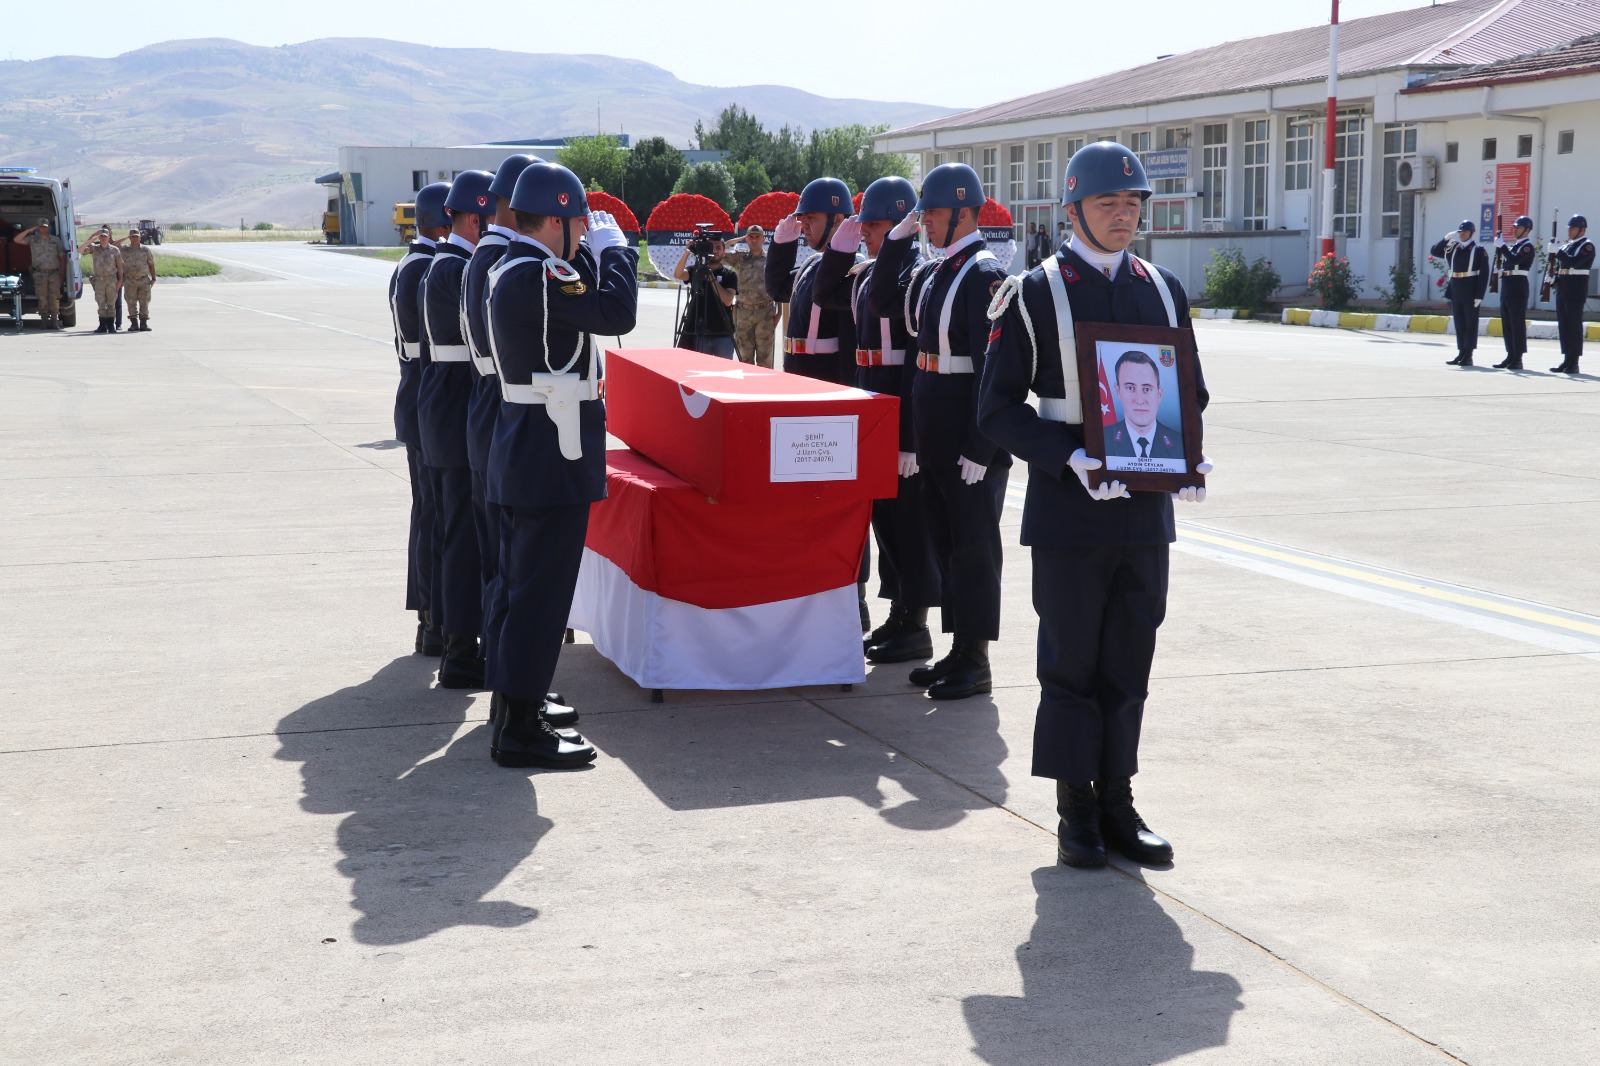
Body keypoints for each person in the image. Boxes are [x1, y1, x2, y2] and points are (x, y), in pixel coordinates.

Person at [978, 140, 1211, 869]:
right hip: (1071, 507)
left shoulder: (1164, 287)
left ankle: (1119, 798)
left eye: (1134, 203)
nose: (1124, 215)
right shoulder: (1035, 291)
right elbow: (996, 410)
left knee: (1129, 658)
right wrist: (1068, 455)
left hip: (1144, 510)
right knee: (1071, 661)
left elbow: (1189, 390)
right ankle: (1075, 807)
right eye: (1108, 203)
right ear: (1073, 209)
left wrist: (1188, 451)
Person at [483, 162, 636, 768]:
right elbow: (615, 312)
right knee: (541, 595)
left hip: (526, 448)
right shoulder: (541, 274)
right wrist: (616, 251)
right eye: (579, 221)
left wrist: (592, 253)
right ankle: (519, 728)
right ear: (555, 219)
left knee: (523, 590)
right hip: (549, 453)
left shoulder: (516, 268)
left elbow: (585, 305)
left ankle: (513, 709)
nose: (585, 229)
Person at [870, 162, 1011, 701]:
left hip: (966, 438)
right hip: (934, 429)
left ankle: (976, 658)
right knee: (947, 546)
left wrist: (983, 443)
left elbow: (997, 370)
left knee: (973, 550)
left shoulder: (983, 273)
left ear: (961, 212)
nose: (923, 221)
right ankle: (956, 650)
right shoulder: (936, 271)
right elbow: (887, 306)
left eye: (930, 213)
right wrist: (898, 242)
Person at [813, 176, 942, 664]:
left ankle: (917, 623)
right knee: (885, 521)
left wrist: (909, 436)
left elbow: (915, 360)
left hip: (898, 403)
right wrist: (839, 254)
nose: (866, 232)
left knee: (910, 522)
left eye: (876, 225)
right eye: (863, 224)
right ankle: (898, 616)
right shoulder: (873, 271)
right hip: (869, 399)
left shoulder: (914, 272)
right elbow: (827, 298)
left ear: (905, 224)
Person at [418, 170, 496, 689]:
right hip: (454, 404)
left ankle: (450, 637)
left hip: (442, 404)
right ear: (475, 219)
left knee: (453, 532)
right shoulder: (458, 268)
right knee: (463, 538)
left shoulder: (442, 264)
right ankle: (461, 649)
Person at [390, 181, 449, 657]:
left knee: (428, 514)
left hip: (414, 396)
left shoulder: (410, 263)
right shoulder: (431, 267)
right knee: (434, 516)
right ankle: (433, 618)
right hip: (429, 398)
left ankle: (430, 618)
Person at [766, 176, 858, 385]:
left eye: (812, 218)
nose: (804, 226)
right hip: (796, 369)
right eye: (803, 219)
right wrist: (782, 245)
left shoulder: (854, 269)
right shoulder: (812, 265)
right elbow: (777, 289)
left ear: (836, 220)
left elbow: (848, 340)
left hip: (828, 375)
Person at [1103, 350, 1183, 465]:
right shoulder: (1101, 440)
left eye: (1147, 389)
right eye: (1130, 388)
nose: (1139, 400)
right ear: (1118, 391)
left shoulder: (1180, 444)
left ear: (1159, 394)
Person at [1430, 220, 1489, 366]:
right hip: (1456, 288)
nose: (1462, 234)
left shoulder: (1478, 250)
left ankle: (1468, 355)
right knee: (1460, 323)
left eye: (1465, 232)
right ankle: (1461, 352)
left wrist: (1479, 295)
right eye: (1460, 232)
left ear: (1471, 233)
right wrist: (1445, 240)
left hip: (1470, 289)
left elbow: (1484, 274)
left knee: (1470, 323)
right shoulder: (1453, 248)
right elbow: (1435, 251)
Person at [672, 233, 738, 358]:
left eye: (719, 248)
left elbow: (728, 301)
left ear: (724, 252)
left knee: (724, 372)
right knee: (700, 370)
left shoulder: (730, 275)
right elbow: (678, 274)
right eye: (711, 247)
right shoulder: (695, 270)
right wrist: (687, 252)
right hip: (700, 332)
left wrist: (712, 279)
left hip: (722, 332)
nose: (715, 251)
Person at [724, 225, 778, 366]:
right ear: (746, 239)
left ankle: (764, 387)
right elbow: (719, 254)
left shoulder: (771, 259)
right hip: (743, 313)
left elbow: (779, 286)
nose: (754, 240)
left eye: (757, 237)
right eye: (751, 237)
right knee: (744, 357)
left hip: (765, 313)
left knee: (765, 358)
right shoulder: (740, 257)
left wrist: (779, 314)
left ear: (763, 239)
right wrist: (735, 240)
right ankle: (747, 387)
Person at [1549, 214, 1594, 374]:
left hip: (1576, 290)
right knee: (1564, 325)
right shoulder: (1568, 246)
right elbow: (1564, 266)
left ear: (1582, 230)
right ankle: (1566, 359)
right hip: (1563, 288)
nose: (1569, 231)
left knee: (1574, 325)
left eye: (1573, 228)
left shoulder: (1587, 246)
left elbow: (1574, 262)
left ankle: (1574, 362)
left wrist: (1558, 252)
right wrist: (1554, 277)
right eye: (1569, 228)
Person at [1491, 215, 1536, 370]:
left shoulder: (1527, 247)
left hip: (1518, 286)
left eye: (1519, 228)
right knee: (1508, 323)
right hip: (1508, 285)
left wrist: (1502, 246)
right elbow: (1509, 261)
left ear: (1527, 230)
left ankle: (1518, 358)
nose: (1515, 230)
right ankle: (1510, 355)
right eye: (1515, 227)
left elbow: (1515, 260)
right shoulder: (1514, 246)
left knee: (1517, 323)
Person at [13, 217, 68, 329]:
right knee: (42, 298)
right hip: (39, 274)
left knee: (54, 297)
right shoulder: (33, 239)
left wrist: (62, 273)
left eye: (45, 227)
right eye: (41, 227)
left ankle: (54, 321)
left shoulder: (55, 240)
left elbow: (62, 257)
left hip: (54, 273)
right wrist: (29, 230)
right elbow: (16, 240)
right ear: (38, 228)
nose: (43, 229)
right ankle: (44, 320)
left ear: (49, 228)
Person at [78, 228, 122, 334]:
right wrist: (91, 240)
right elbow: (79, 251)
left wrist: (120, 280)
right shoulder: (94, 248)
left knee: (111, 303)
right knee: (101, 303)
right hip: (99, 280)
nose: (103, 238)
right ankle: (102, 325)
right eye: (101, 236)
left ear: (109, 237)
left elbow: (120, 266)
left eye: (105, 236)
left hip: (111, 279)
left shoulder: (115, 250)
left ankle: (111, 325)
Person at [118, 228, 156, 332]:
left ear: (140, 237)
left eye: (136, 236)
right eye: (133, 236)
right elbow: (114, 245)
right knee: (131, 302)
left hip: (143, 280)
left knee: (144, 302)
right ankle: (134, 324)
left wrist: (153, 278)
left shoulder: (145, 250)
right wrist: (124, 238)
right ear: (130, 238)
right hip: (130, 280)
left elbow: (151, 264)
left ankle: (144, 323)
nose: (135, 238)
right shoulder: (124, 249)